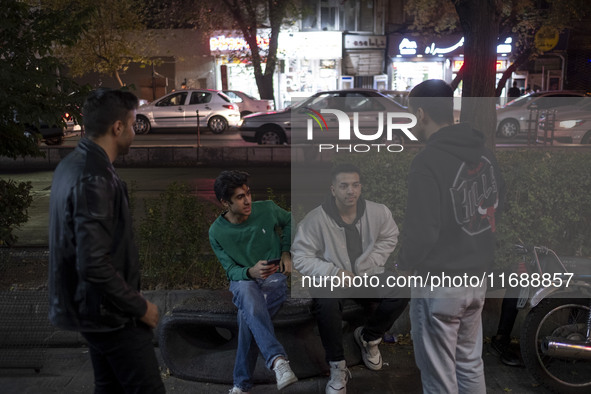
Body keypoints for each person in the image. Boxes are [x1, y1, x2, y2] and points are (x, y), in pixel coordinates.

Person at [48, 88, 165, 394]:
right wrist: (140, 306)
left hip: (91, 310)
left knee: (109, 388)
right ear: (117, 127)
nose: (135, 130)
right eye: (133, 123)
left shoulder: (71, 165)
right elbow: (94, 262)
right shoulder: (95, 178)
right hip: (111, 316)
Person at [397, 79, 505, 393]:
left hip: (440, 283)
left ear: (421, 113)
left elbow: (423, 230)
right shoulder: (484, 154)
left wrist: (403, 265)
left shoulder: (427, 161)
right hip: (476, 279)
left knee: (439, 377)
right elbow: (500, 204)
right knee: (470, 364)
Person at [291, 163, 409, 394]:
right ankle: (337, 367)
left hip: (368, 275)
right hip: (334, 279)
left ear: (361, 187)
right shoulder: (316, 219)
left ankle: (369, 337)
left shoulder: (379, 212)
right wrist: (334, 273)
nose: (350, 191)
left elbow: (389, 237)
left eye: (355, 185)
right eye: (344, 186)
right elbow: (301, 257)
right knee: (325, 304)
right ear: (333, 189)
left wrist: (370, 263)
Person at [209, 170, 298, 394]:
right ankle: (278, 360)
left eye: (248, 193)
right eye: (240, 197)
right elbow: (230, 270)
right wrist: (249, 271)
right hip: (244, 280)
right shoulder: (217, 232)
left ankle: (242, 384)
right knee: (247, 295)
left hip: (273, 277)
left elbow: (290, 220)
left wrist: (286, 252)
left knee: (245, 314)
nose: (248, 200)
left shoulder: (267, 209)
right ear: (224, 203)